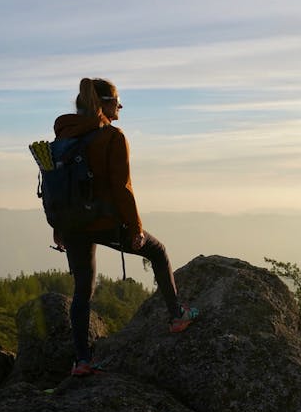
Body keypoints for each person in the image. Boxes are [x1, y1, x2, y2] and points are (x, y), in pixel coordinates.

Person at [52, 77, 197, 377]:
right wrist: (136, 228)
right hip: (105, 221)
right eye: (117, 100)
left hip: (72, 224)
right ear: (104, 103)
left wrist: (58, 226)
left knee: (82, 290)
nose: (120, 106)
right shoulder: (113, 137)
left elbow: (58, 189)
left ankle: (82, 361)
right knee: (157, 252)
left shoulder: (62, 139)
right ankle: (177, 316)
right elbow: (123, 189)